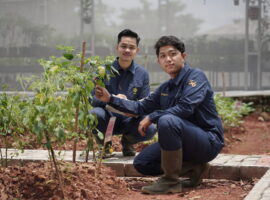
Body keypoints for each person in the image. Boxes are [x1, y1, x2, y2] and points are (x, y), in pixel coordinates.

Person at [95, 35, 224, 194]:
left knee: (167, 120)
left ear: (183, 56)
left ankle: (171, 181)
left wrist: (152, 116)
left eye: (173, 54)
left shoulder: (195, 77)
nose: (168, 59)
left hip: (207, 141)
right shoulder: (165, 88)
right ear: (158, 61)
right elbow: (140, 106)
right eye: (163, 56)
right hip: (183, 144)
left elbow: (185, 107)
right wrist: (110, 98)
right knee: (142, 162)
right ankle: (195, 167)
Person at [91, 29, 156, 157]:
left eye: (131, 47)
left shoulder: (142, 74)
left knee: (150, 128)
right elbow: (92, 99)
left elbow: (145, 104)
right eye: (124, 46)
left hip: (130, 120)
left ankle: (127, 142)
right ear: (117, 47)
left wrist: (129, 106)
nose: (127, 50)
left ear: (137, 50)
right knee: (93, 115)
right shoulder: (104, 70)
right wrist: (112, 99)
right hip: (108, 117)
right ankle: (106, 144)